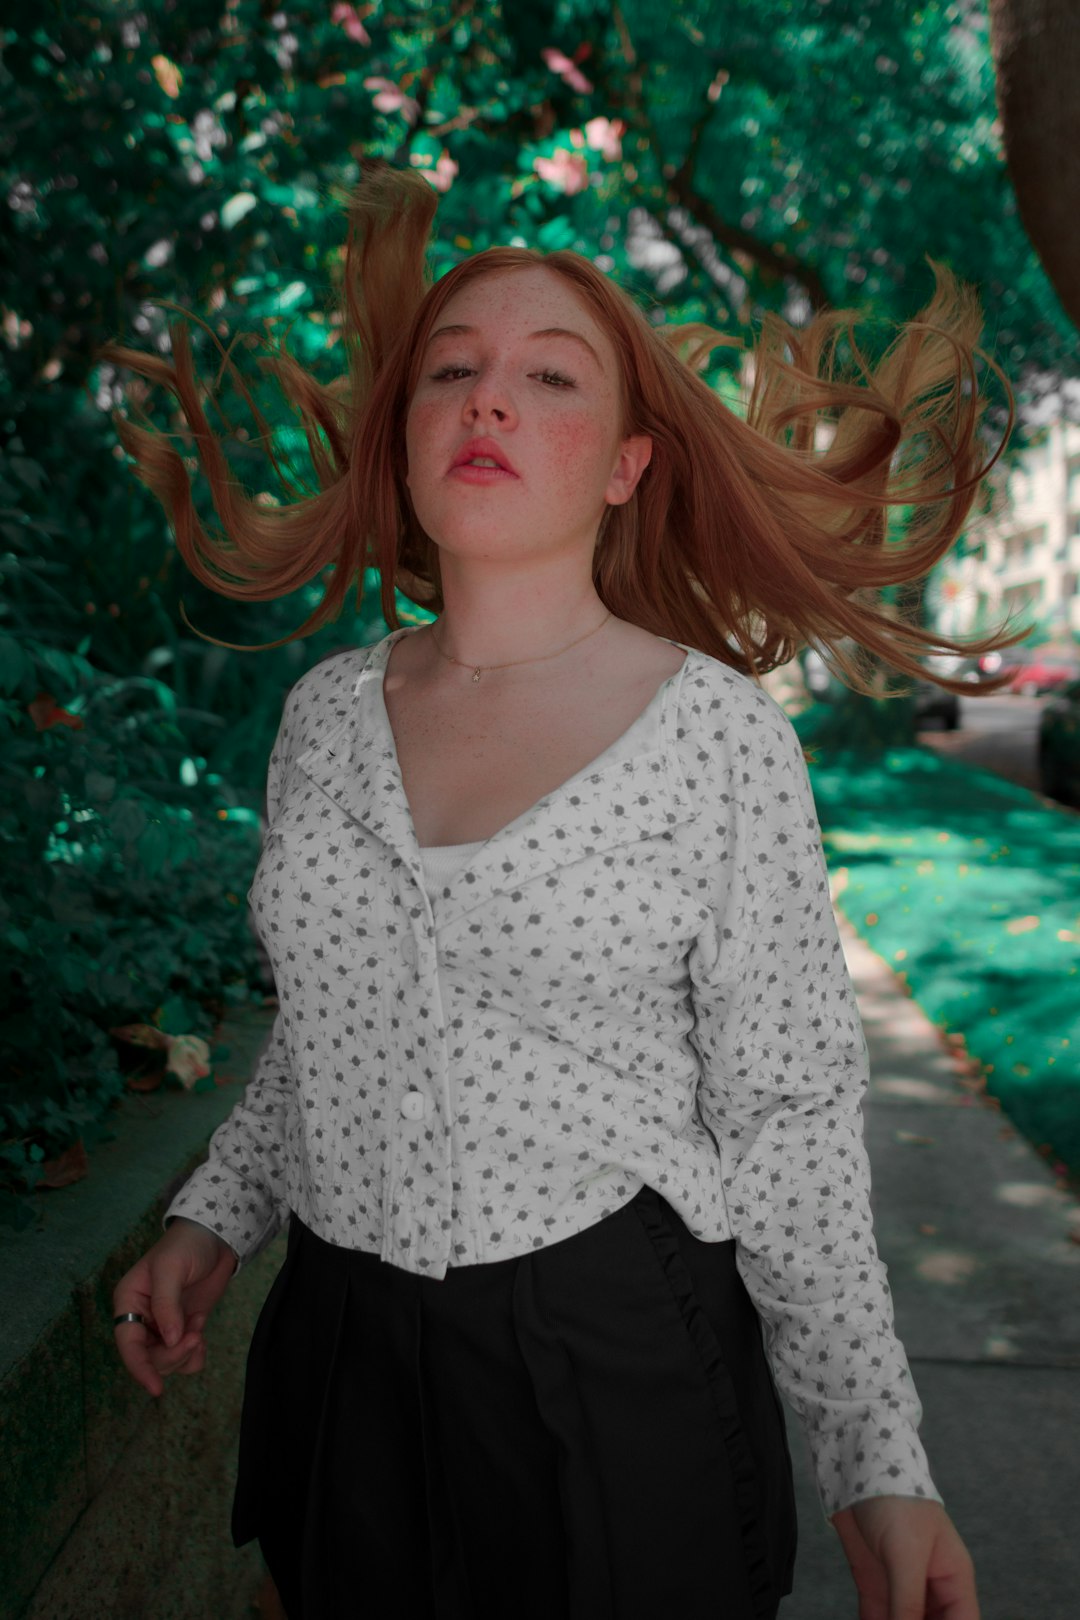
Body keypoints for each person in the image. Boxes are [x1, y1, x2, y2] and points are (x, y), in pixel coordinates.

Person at [101, 159, 1026, 1619]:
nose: (488, 400)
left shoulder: (715, 739)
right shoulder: (322, 720)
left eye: (549, 376)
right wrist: (212, 1217)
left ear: (624, 463)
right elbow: (325, 1040)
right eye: (451, 374)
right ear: (403, 441)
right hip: (338, 1354)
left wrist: (877, 1461)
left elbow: (787, 1124)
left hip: (610, 1366)